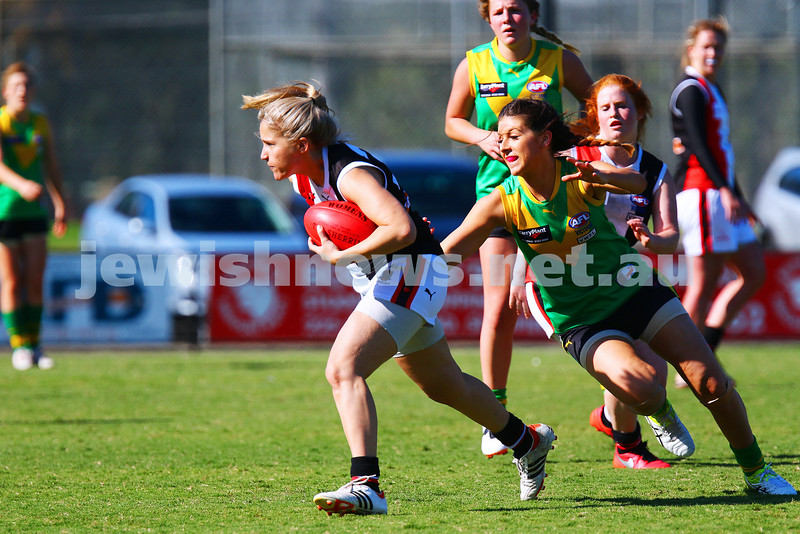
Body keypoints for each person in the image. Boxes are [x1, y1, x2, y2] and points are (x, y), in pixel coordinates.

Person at [441, 96, 796, 495]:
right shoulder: (499, 201)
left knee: (711, 383)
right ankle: (659, 412)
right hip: (580, 318)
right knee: (643, 386)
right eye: (499, 138)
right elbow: (449, 251)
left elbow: (638, 183)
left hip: (634, 289)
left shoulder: (578, 173)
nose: (501, 145)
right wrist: (402, 260)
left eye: (512, 136)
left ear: (543, 139)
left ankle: (758, 472)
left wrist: (603, 175)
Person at [242, 81, 558, 516]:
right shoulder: (303, 177)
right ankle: (528, 440)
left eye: (269, 144)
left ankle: (366, 484)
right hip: (386, 277)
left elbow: (401, 230)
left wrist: (342, 253)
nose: (263, 154)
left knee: (343, 369)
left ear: (300, 144)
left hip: (409, 271)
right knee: (443, 385)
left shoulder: (349, 174)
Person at [511, 74, 686, 469]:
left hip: (617, 276)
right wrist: (520, 274)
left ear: (640, 112)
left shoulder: (654, 171)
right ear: (593, 116)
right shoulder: (571, 157)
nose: (615, 114)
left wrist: (652, 240)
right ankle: (628, 447)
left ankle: (611, 420)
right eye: (604, 108)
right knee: (624, 366)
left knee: (653, 378)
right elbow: (529, 213)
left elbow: (670, 236)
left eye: (623, 106)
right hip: (565, 283)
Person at [444, 0, 592, 458]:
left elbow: (595, 110)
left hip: (553, 200)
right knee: (499, 308)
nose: (508, 18)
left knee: (591, 299)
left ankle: (626, 410)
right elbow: (452, 121)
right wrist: (481, 136)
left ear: (533, 14)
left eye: (517, 9)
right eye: (499, 11)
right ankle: (496, 417)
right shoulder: (473, 64)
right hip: (499, 203)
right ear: (487, 17)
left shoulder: (558, 59)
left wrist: (569, 147)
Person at [669, 17, 765, 388]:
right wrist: (725, 190)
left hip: (721, 192)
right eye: (706, 46)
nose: (713, 53)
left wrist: (738, 195)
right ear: (691, 49)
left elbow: (722, 150)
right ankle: (687, 366)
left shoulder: (711, 88)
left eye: (719, 47)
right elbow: (699, 146)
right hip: (703, 194)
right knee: (702, 285)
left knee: (754, 271)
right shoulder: (690, 89)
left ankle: (704, 350)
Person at [0, 62, 67, 371]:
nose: (22, 91)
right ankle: (19, 347)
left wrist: (60, 202)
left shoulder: (40, 123)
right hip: (5, 212)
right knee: (12, 280)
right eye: (16, 86)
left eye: (26, 85)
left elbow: (51, 166)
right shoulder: (1, 122)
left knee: (35, 279)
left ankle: (36, 345)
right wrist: (21, 184)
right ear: (6, 92)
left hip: (34, 212)